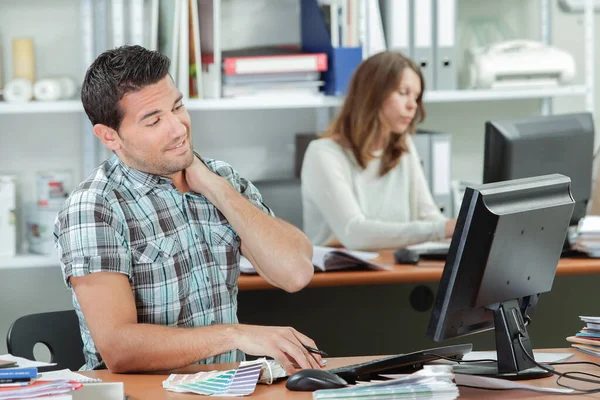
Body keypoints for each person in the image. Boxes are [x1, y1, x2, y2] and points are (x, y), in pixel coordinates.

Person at [53, 45, 321, 374]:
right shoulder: (95, 206)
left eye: (178, 107)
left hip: (224, 392)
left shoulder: (220, 178)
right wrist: (234, 335)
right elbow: (118, 349)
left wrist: (215, 188)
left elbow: (296, 272)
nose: (179, 128)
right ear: (110, 136)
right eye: (153, 121)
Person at [301, 51, 457, 251]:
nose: (412, 106)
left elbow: (429, 217)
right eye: (403, 93)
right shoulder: (323, 154)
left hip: (395, 270)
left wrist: (465, 233)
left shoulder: (403, 147)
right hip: (339, 278)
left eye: (416, 97)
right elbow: (354, 233)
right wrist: (443, 229)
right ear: (373, 94)